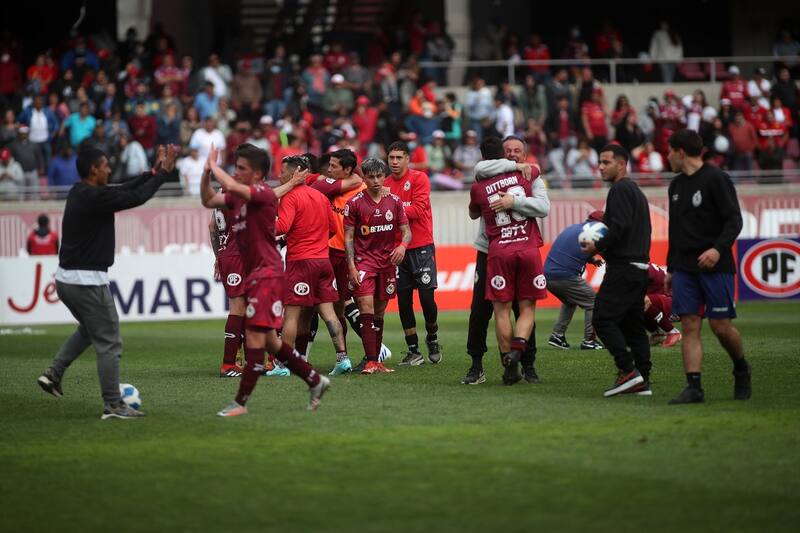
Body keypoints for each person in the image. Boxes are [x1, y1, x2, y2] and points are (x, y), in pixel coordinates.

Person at [36, 145, 178, 419]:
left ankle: (54, 373)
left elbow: (122, 188)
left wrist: (152, 172)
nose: (109, 169)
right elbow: (135, 197)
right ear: (93, 169)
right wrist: (163, 175)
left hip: (66, 281)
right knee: (110, 342)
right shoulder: (95, 198)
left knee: (90, 330)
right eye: (105, 165)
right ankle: (113, 404)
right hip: (86, 282)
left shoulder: (81, 191)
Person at [201, 143, 330, 416]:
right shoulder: (240, 197)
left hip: (267, 275)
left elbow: (232, 187)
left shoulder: (260, 193)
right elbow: (208, 200)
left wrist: (213, 166)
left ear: (258, 174)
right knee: (271, 341)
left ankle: (240, 402)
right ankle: (315, 381)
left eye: (242, 168)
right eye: (236, 168)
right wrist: (205, 174)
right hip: (254, 275)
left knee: (255, 338)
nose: (236, 172)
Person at [664, 129, 750, 404]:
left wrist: (717, 249)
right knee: (689, 325)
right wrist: (671, 268)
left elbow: (734, 220)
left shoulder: (716, 179)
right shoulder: (675, 186)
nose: (667, 157)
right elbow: (675, 230)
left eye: (669, 151)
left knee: (720, 326)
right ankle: (694, 387)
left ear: (680, 152)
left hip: (716, 266)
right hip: (684, 268)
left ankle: (741, 367)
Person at [463, 136, 548, 385]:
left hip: (501, 249)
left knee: (517, 308)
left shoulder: (527, 176)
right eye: (507, 150)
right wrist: (516, 168)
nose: (512, 154)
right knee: (481, 310)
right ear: (501, 154)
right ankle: (477, 364)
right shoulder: (514, 174)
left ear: (524, 155)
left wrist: (515, 201)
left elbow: (543, 208)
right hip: (490, 249)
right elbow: (482, 168)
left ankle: (527, 365)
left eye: (517, 151)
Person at [581, 144, 653, 397]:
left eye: (606, 162)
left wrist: (596, 246)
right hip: (639, 268)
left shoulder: (620, 189)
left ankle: (628, 371)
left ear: (621, 164)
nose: (600, 167)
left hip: (624, 267)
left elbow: (619, 227)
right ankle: (642, 380)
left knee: (602, 319)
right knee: (634, 327)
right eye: (599, 162)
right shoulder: (635, 191)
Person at [274, 155, 349, 375]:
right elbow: (333, 229)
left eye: (282, 172)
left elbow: (282, 227)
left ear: (294, 173)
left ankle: (282, 365)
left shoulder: (289, 196)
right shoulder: (320, 196)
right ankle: (342, 358)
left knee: (291, 315)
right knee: (330, 313)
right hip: (323, 261)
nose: (279, 175)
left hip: (301, 262)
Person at [344, 158, 412, 374]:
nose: (375, 181)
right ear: (364, 178)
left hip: (387, 264)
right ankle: (371, 360)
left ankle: (377, 361)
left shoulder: (395, 201)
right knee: (366, 307)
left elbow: (407, 231)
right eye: (371, 177)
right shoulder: (354, 203)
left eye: (379, 176)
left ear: (384, 177)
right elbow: (348, 237)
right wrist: (351, 266)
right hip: (363, 262)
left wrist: (402, 246)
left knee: (379, 313)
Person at [385, 141, 441, 365]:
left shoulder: (419, 179)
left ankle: (433, 337)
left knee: (427, 298)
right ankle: (413, 350)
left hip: (421, 245)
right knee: (404, 300)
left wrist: (390, 205)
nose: (395, 162)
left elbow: (417, 210)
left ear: (408, 159)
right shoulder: (385, 183)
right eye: (391, 158)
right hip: (397, 249)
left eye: (399, 157)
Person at [545, 211, 605, 351]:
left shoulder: (575, 228)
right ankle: (589, 340)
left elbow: (576, 247)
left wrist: (592, 260)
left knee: (570, 301)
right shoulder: (594, 232)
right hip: (565, 275)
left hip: (549, 275)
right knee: (594, 302)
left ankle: (557, 336)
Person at [644, 263, 682, 348]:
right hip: (667, 302)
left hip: (677, 305)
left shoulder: (638, 267)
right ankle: (657, 333)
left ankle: (672, 331)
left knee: (636, 300)